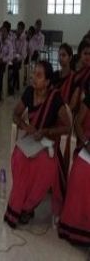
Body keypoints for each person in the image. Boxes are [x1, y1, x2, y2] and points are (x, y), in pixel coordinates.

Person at [4, 61, 71, 229]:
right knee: (19, 159)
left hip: (47, 143)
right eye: (34, 73)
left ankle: (27, 207)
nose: (34, 77)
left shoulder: (55, 97)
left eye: (39, 75)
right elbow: (15, 114)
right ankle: (17, 206)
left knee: (45, 167)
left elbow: (68, 127)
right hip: (31, 139)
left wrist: (46, 131)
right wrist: (27, 127)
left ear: (48, 82)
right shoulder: (29, 92)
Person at [58, 88, 90, 246]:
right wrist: (86, 143)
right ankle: (76, 228)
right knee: (82, 173)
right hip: (88, 147)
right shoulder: (88, 100)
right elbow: (77, 123)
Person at [70, 39, 90, 112]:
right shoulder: (73, 62)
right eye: (85, 53)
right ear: (80, 53)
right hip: (69, 94)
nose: (88, 56)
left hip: (83, 103)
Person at [0, 26, 14, 101]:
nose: (2, 33)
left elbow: (10, 56)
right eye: (1, 32)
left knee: (0, 72)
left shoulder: (9, 43)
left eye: (4, 32)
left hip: (4, 63)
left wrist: (3, 60)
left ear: (7, 33)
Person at [11, 21, 27, 93]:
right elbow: (13, 49)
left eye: (20, 29)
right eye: (17, 28)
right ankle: (16, 81)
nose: (18, 30)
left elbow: (23, 54)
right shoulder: (14, 38)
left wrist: (17, 57)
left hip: (20, 60)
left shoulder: (24, 40)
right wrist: (14, 56)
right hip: (13, 57)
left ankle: (13, 84)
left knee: (16, 65)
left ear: (23, 30)